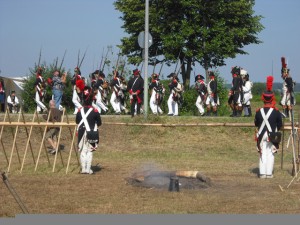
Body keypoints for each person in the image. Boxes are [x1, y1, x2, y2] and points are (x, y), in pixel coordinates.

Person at [254, 76, 283, 179]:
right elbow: (280, 124)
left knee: (262, 154)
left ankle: (262, 173)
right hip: (272, 135)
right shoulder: (276, 111)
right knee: (270, 154)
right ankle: (269, 173)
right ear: (272, 98)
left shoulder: (258, 111)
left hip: (261, 135)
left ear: (263, 98)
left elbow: (256, 123)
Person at [76, 86, 102, 174]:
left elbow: (77, 121)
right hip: (92, 132)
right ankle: (88, 168)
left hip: (81, 132)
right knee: (90, 150)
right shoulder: (95, 111)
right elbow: (99, 123)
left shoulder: (79, 110)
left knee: (83, 150)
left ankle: (83, 168)